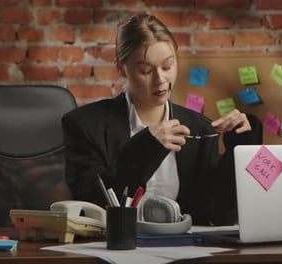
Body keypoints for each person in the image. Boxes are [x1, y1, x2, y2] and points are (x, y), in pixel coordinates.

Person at [62, 13, 262, 226]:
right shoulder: (84, 125)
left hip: (183, 251)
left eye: (167, 67)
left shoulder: (199, 128)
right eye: (146, 71)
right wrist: (146, 147)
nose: (161, 80)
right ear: (121, 67)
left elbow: (216, 214)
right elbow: (93, 205)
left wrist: (242, 146)